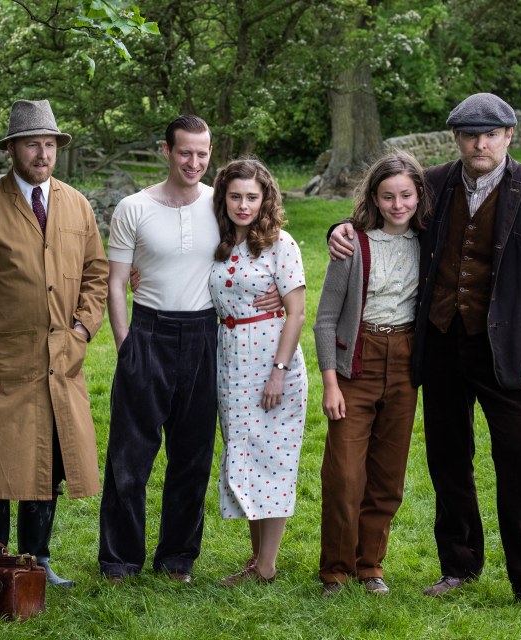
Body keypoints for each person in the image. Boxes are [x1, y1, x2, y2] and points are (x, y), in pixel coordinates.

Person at [328, 93, 521, 614]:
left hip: (505, 350)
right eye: (469, 134)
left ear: (508, 136)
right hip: (438, 343)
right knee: (447, 460)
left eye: (490, 134)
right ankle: (458, 566)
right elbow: (379, 212)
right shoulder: (433, 183)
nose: (479, 143)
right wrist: (338, 229)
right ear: (456, 138)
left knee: (520, 461)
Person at [98, 116, 279, 583]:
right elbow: (116, 283)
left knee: (193, 456)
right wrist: (125, 346)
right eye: (185, 153)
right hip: (148, 332)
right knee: (129, 456)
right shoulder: (133, 208)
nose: (194, 162)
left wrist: (282, 288)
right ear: (167, 150)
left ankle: (177, 558)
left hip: (205, 335)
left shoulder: (219, 207)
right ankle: (120, 560)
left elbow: (270, 236)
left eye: (203, 154)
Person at [0, 99, 108, 588]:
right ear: (13, 149)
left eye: (50, 144)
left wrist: (82, 329)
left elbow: (96, 274)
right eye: (33, 144)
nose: (43, 153)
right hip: (2, 365)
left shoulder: (77, 204)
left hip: (61, 362)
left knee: (49, 461)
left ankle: (37, 562)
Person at [315, 151, 430, 597]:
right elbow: (325, 319)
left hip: (404, 362)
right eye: (388, 196)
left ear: (419, 194)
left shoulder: (427, 242)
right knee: (344, 474)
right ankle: (336, 572)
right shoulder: (352, 244)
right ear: (374, 198)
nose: (398, 205)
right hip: (355, 362)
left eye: (406, 194)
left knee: (387, 476)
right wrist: (330, 381)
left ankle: (370, 567)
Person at [209, 159, 307, 586]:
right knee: (244, 458)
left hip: (271, 360)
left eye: (252, 197)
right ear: (223, 198)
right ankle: (255, 559)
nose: (244, 205)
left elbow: (297, 312)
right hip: (230, 360)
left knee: (275, 460)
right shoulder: (218, 242)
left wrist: (278, 372)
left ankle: (267, 565)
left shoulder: (280, 244)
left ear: (265, 198)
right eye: (235, 196)